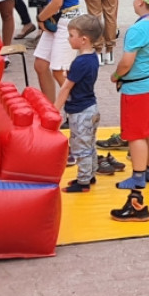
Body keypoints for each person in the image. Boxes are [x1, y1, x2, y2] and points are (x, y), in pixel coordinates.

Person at [108, 0, 149, 196]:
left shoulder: (136, 30)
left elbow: (126, 62)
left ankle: (138, 176)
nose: (133, 0)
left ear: (141, 1)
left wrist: (116, 75)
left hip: (138, 89)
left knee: (135, 134)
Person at [55, 14, 103, 193]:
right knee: (89, 144)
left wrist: (55, 109)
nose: (68, 39)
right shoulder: (92, 57)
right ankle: (89, 175)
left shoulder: (80, 62)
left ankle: (83, 182)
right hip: (91, 107)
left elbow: (66, 88)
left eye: (71, 35)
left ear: (83, 40)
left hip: (80, 111)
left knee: (80, 146)